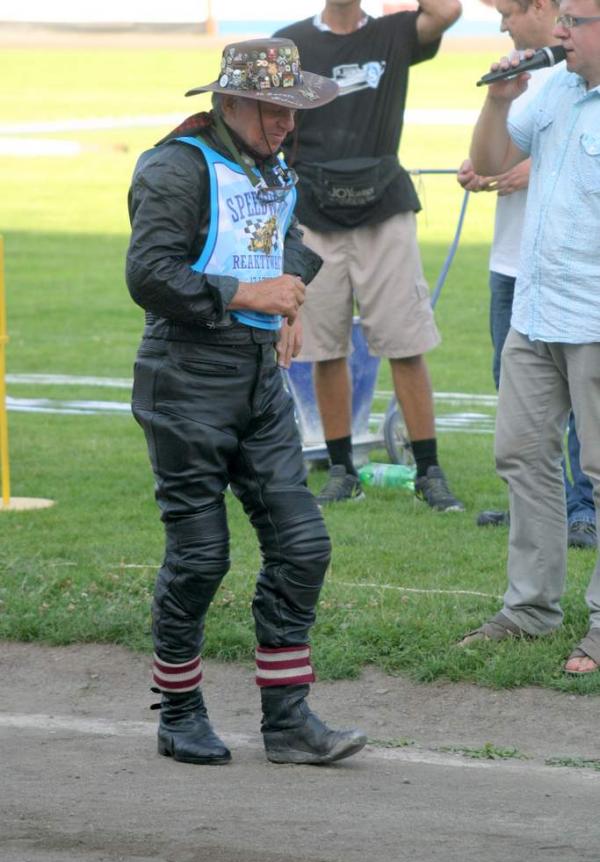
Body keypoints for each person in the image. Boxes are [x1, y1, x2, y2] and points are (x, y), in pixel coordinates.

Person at [126, 37, 368, 765]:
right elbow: (149, 274)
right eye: (273, 110)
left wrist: (285, 301)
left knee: (303, 545)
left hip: (259, 380)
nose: (287, 124)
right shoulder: (175, 166)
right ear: (229, 101)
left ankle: (287, 722)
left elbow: (284, 236)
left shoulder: (269, 160)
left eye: (293, 111)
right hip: (184, 381)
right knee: (200, 559)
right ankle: (178, 713)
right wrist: (246, 295)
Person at [274, 0, 464, 511]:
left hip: (384, 209)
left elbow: (448, 10)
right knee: (324, 348)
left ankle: (429, 471)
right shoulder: (290, 44)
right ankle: (341, 469)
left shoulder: (394, 33)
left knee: (405, 343)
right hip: (312, 212)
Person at [459, 0, 600, 674]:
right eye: (562, 17)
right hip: (536, 313)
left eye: (578, 20)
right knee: (520, 455)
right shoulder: (552, 92)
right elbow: (489, 160)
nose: (561, 31)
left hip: (595, 321)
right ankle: (530, 610)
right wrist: (500, 100)